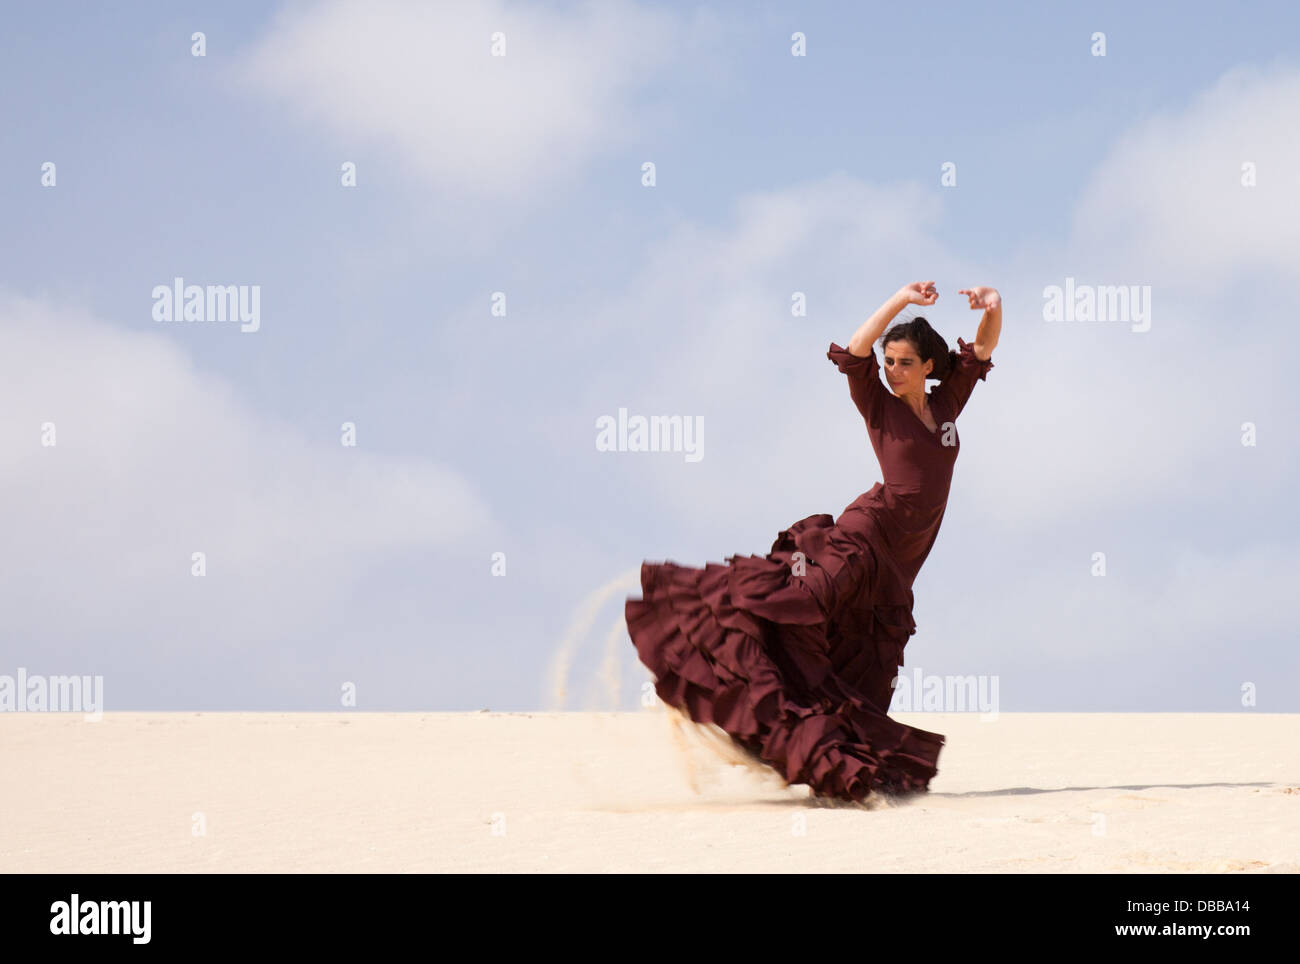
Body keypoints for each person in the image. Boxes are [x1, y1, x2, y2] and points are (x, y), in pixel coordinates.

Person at [625, 281, 1002, 803]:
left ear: (928, 367)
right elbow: (854, 351)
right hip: (866, 534)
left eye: (903, 362)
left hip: (900, 562)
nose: (891, 370)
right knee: (800, 603)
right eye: (889, 361)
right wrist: (900, 299)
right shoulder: (880, 407)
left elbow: (983, 350)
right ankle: (714, 647)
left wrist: (994, 307)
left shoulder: (945, 410)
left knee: (866, 666)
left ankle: (813, 750)